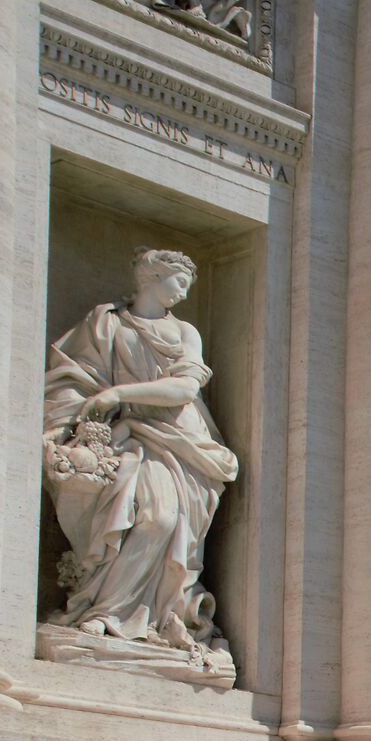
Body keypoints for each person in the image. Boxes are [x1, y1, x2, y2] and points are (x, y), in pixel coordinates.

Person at [41, 247, 240, 660]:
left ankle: (131, 615)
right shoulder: (106, 322)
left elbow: (185, 389)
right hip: (125, 435)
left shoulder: (185, 332)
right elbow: (73, 376)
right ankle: (106, 611)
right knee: (128, 515)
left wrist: (118, 393)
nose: (184, 293)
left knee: (163, 519)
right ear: (152, 277)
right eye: (179, 282)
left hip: (180, 439)